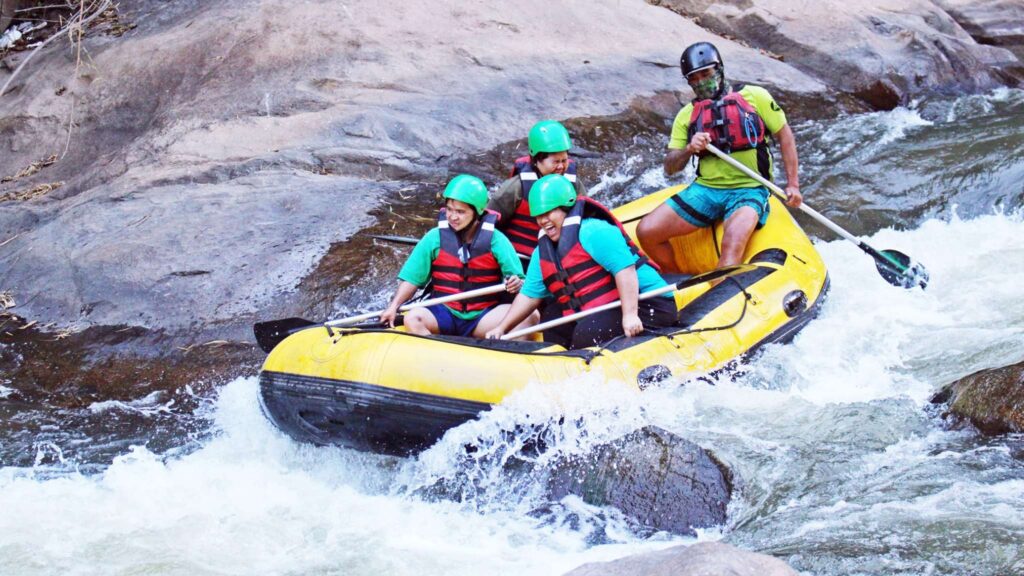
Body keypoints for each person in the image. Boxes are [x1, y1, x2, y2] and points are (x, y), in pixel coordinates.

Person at [636, 41, 802, 273]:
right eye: (694, 78)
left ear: (719, 69)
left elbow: (785, 136)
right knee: (647, 231)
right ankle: (680, 281)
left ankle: (720, 287)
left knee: (731, 244)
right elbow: (670, 167)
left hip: (750, 188)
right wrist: (689, 149)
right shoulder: (686, 115)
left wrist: (793, 184)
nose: (701, 82)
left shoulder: (756, 97)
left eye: (706, 74)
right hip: (707, 190)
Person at [486, 174, 678, 349]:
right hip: (606, 307)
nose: (543, 221)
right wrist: (502, 328)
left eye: (549, 213)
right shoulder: (542, 251)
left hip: (648, 303)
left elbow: (625, 271)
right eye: (539, 216)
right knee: (553, 319)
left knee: (587, 332)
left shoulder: (594, 231)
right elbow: (529, 295)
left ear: (566, 208)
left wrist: (630, 315)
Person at [380, 174, 539, 338]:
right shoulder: (434, 237)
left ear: (477, 212)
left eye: (460, 212)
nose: (453, 217)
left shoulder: (497, 240)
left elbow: (520, 283)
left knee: (531, 316)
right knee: (413, 318)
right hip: (443, 312)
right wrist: (393, 306)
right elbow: (412, 280)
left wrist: (516, 283)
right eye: (449, 209)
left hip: (483, 316)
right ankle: (434, 350)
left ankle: (498, 349)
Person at [487, 120, 588, 259]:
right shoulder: (515, 188)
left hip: (558, 258)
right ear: (536, 160)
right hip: (519, 258)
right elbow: (487, 224)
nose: (561, 166)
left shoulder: (574, 185)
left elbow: (586, 218)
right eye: (555, 162)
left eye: (564, 160)